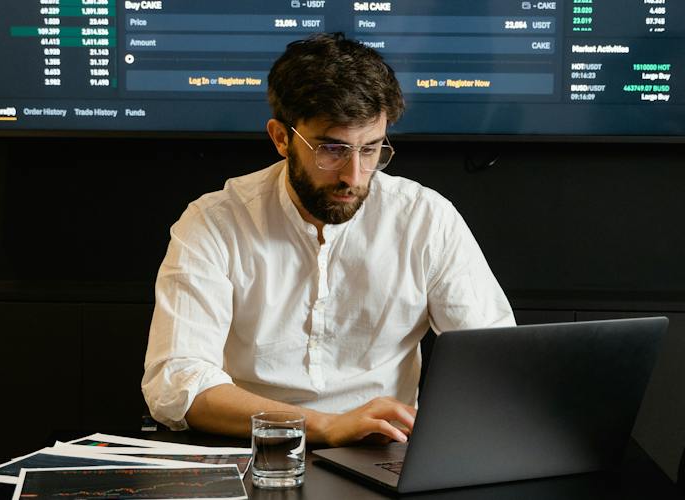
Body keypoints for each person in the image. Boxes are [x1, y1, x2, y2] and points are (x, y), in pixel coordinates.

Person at [141, 33, 513, 447]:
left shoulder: (426, 218)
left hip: (386, 451)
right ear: (281, 138)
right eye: (332, 150)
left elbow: (495, 361)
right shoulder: (214, 222)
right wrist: (323, 425)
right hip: (251, 450)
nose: (353, 176)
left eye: (371, 150)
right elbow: (176, 384)